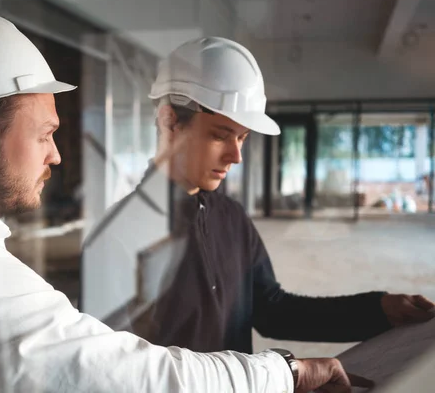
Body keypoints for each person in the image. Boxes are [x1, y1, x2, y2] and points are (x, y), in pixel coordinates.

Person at [0, 11, 368, 393]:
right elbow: (126, 374)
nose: (57, 156)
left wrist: (377, 309)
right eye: (44, 134)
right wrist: (286, 373)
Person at [80, 37, 435, 353]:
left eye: (243, 138)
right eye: (220, 135)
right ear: (170, 121)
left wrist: (377, 310)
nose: (236, 156)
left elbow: (272, 311)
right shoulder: (117, 239)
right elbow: (112, 372)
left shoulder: (231, 218)